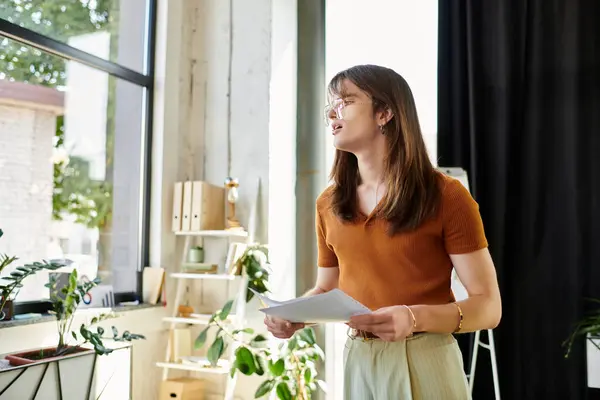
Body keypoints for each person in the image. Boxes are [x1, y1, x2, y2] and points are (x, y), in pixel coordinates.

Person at [264, 64, 502, 399]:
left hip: (425, 358)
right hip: (358, 360)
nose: (333, 112)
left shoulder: (446, 196)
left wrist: (413, 318)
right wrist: (293, 315)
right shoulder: (328, 204)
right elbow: (326, 288)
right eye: (330, 105)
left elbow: (489, 307)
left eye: (345, 101)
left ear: (385, 113)